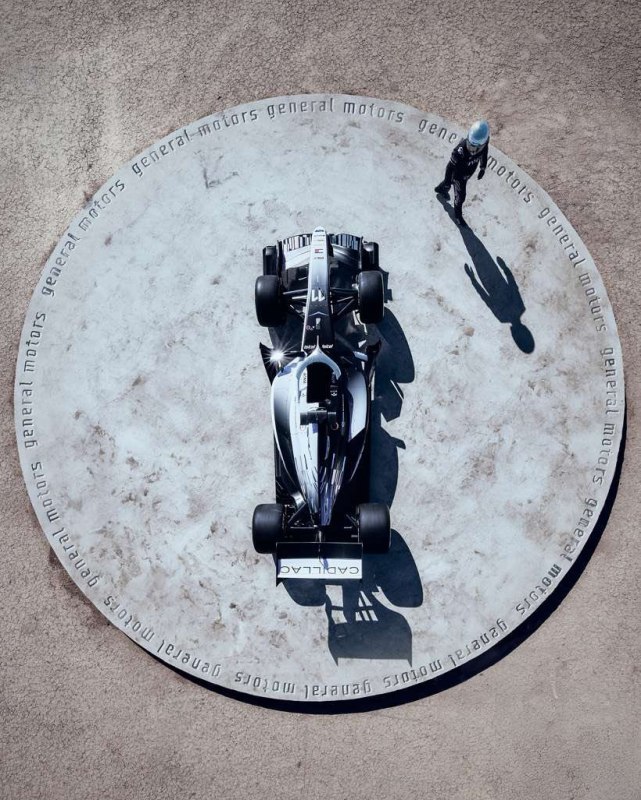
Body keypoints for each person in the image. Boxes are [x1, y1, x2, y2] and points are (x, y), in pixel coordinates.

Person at [435, 120, 490, 227]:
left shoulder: (484, 144)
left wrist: (482, 167)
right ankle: (458, 215)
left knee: (449, 183)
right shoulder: (459, 152)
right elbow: (450, 167)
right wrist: (448, 181)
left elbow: (484, 153)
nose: (472, 149)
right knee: (461, 197)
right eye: (470, 144)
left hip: (467, 174)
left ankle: (441, 189)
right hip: (459, 177)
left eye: (475, 147)